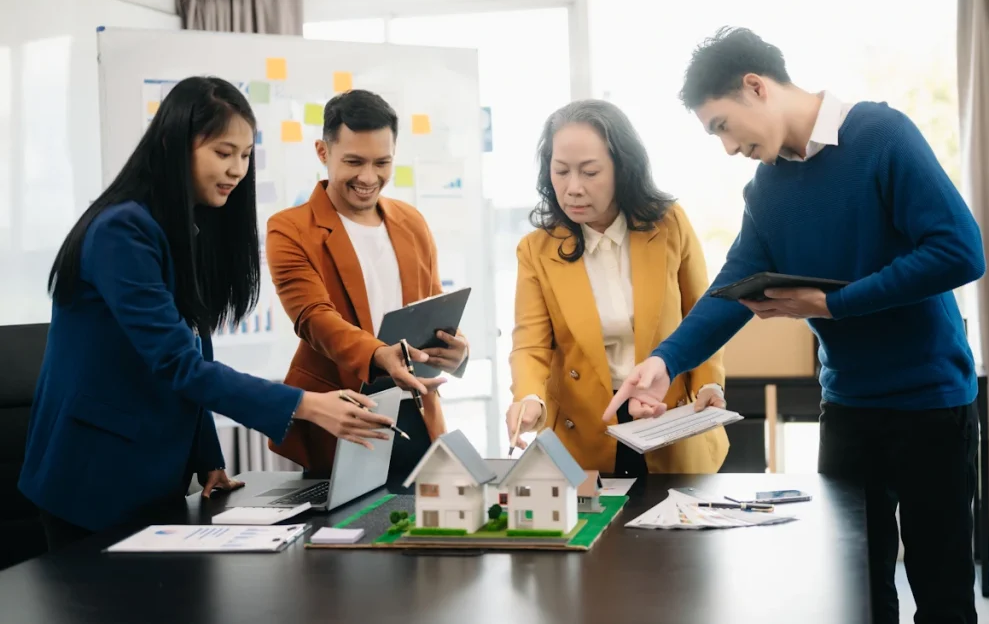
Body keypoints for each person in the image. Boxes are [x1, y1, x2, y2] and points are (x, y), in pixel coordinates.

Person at [606, 28, 984, 624]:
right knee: (855, 589)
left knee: (941, 594)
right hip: (850, 407)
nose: (726, 147)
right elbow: (733, 287)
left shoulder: (881, 136)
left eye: (722, 126)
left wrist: (833, 305)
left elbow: (960, 251)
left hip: (930, 403)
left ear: (757, 87)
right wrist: (664, 361)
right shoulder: (767, 190)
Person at [18, 77, 395, 550]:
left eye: (244, 155)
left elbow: (195, 340)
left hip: (155, 475)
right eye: (223, 153)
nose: (237, 169)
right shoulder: (121, 231)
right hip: (92, 477)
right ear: (175, 144)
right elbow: (177, 363)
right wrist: (308, 405)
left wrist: (207, 457)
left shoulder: (184, 223)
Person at [507, 99, 729, 476]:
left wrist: (710, 386)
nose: (573, 188)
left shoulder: (669, 224)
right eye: (560, 171)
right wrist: (528, 397)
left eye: (590, 172)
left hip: (668, 416)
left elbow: (701, 316)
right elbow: (530, 343)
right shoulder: (536, 249)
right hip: (585, 430)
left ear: (622, 169)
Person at [266, 89, 468, 475]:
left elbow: (435, 308)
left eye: (382, 163)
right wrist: (379, 355)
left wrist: (456, 351)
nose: (368, 177)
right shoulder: (290, 229)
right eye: (354, 162)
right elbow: (313, 318)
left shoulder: (411, 221)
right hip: (341, 416)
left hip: (416, 411)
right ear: (323, 153)